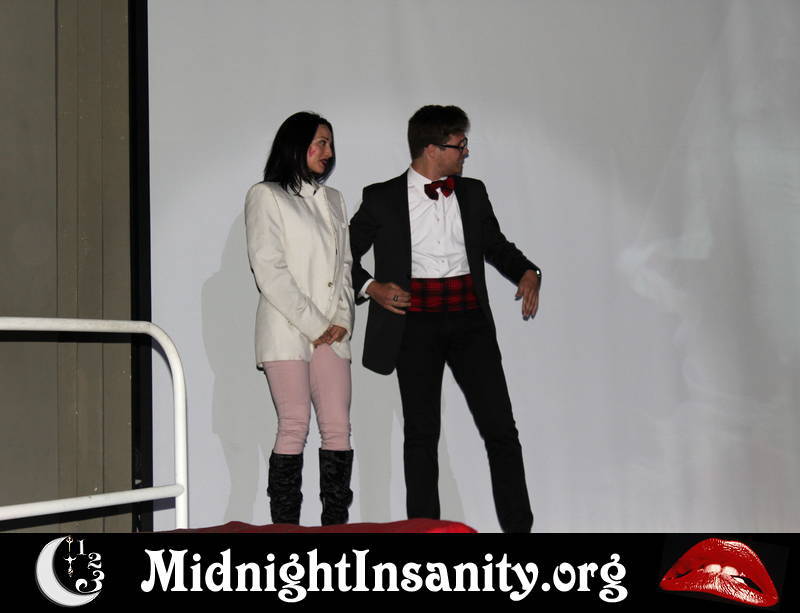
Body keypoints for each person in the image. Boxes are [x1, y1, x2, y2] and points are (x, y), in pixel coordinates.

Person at [349, 105, 541, 533]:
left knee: (501, 430)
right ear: (432, 149)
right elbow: (342, 256)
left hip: (470, 321)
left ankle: (520, 532)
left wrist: (528, 270)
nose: (466, 152)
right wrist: (372, 288)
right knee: (421, 436)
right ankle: (424, 536)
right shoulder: (381, 197)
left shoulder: (473, 192)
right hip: (413, 324)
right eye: (460, 145)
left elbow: (495, 244)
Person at [245, 111, 355, 525]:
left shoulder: (335, 199)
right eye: (320, 142)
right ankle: (285, 530)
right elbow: (269, 271)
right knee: (293, 424)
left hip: (332, 333)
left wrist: (341, 318)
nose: (328, 151)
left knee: (338, 427)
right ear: (296, 144)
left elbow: (345, 268)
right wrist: (316, 324)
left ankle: (335, 528)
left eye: (330, 143)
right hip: (287, 330)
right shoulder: (266, 195)